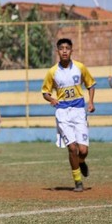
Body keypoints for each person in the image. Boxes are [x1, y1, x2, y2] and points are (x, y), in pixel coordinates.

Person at [42, 38, 95, 192]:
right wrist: (51, 99)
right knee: (72, 148)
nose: (64, 51)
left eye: (67, 48)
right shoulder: (52, 72)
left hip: (79, 111)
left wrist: (91, 102)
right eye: (61, 48)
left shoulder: (80, 67)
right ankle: (78, 181)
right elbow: (45, 92)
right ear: (57, 51)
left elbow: (90, 85)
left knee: (83, 150)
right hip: (62, 112)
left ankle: (81, 162)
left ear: (72, 50)